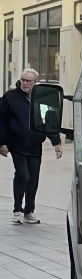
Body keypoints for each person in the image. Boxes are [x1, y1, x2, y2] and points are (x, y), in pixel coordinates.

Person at [0, 68, 62, 225]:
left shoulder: (42, 98)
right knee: (23, 175)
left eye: (29, 81)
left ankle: (29, 211)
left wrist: (56, 142)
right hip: (16, 144)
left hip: (35, 145)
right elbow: (1, 121)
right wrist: (2, 143)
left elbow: (49, 119)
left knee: (33, 179)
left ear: (35, 82)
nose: (25, 83)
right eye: (23, 80)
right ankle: (17, 210)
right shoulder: (9, 97)